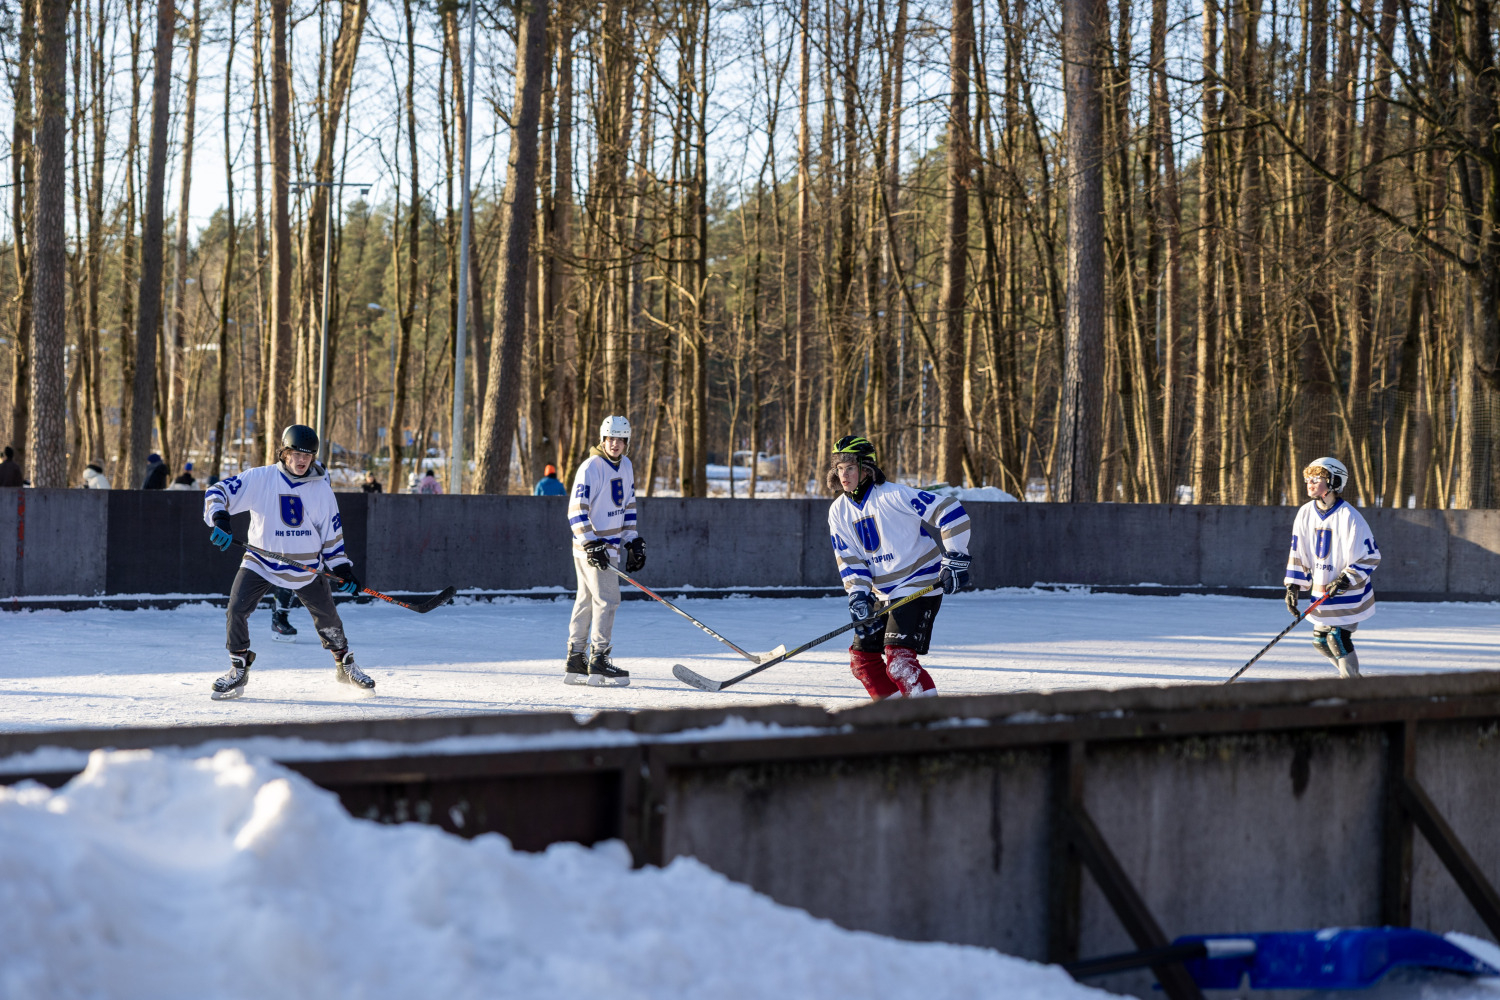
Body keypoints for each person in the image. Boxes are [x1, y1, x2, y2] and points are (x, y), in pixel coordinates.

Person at [201, 423, 374, 699]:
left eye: (308, 455)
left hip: (305, 566)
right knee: (236, 609)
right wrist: (220, 519)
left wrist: (342, 569)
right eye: (296, 453)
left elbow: (331, 535)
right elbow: (217, 492)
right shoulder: (260, 478)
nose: (302, 460)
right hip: (261, 560)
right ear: (284, 452)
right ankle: (238, 668)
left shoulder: (322, 490)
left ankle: (345, 665)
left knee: (328, 618)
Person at [826, 435, 972, 699]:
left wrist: (955, 557)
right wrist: (858, 593)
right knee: (862, 662)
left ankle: (930, 725)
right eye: (839, 468)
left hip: (918, 582)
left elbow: (950, 510)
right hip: (882, 593)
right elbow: (849, 557)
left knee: (900, 663)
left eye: (849, 467)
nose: (843, 474)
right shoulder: (838, 510)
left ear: (866, 469)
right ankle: (894, 722)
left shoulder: (893, 494)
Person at [563, 415, 644, 686]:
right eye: (610, 438)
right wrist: (590, 543)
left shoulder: (627, 466)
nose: (615, 444)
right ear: (602, 439)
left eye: (620, 439)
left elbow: (629, 505)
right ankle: (598, 659)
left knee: (587, 600)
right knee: (608, 600)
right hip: (594, 548)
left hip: (608, 546)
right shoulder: (591, 467)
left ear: (627, 442)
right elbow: (576, 511)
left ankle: (576, 659)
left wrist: (631, 540)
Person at [1285, 456, 1380, 679]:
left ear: (1334, 482)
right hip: (1322, 590)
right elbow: (1298, 552)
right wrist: (1293, 586)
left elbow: (1371, 555)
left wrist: (1346, 578)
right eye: (1308, 478)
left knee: (1337, 637)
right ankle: (1354, 682)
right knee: (1320, 641)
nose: (1309, 483)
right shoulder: (1305, 513)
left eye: (1317, 478)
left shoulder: (1350, 516)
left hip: (1347, 592)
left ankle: (1352, 687)